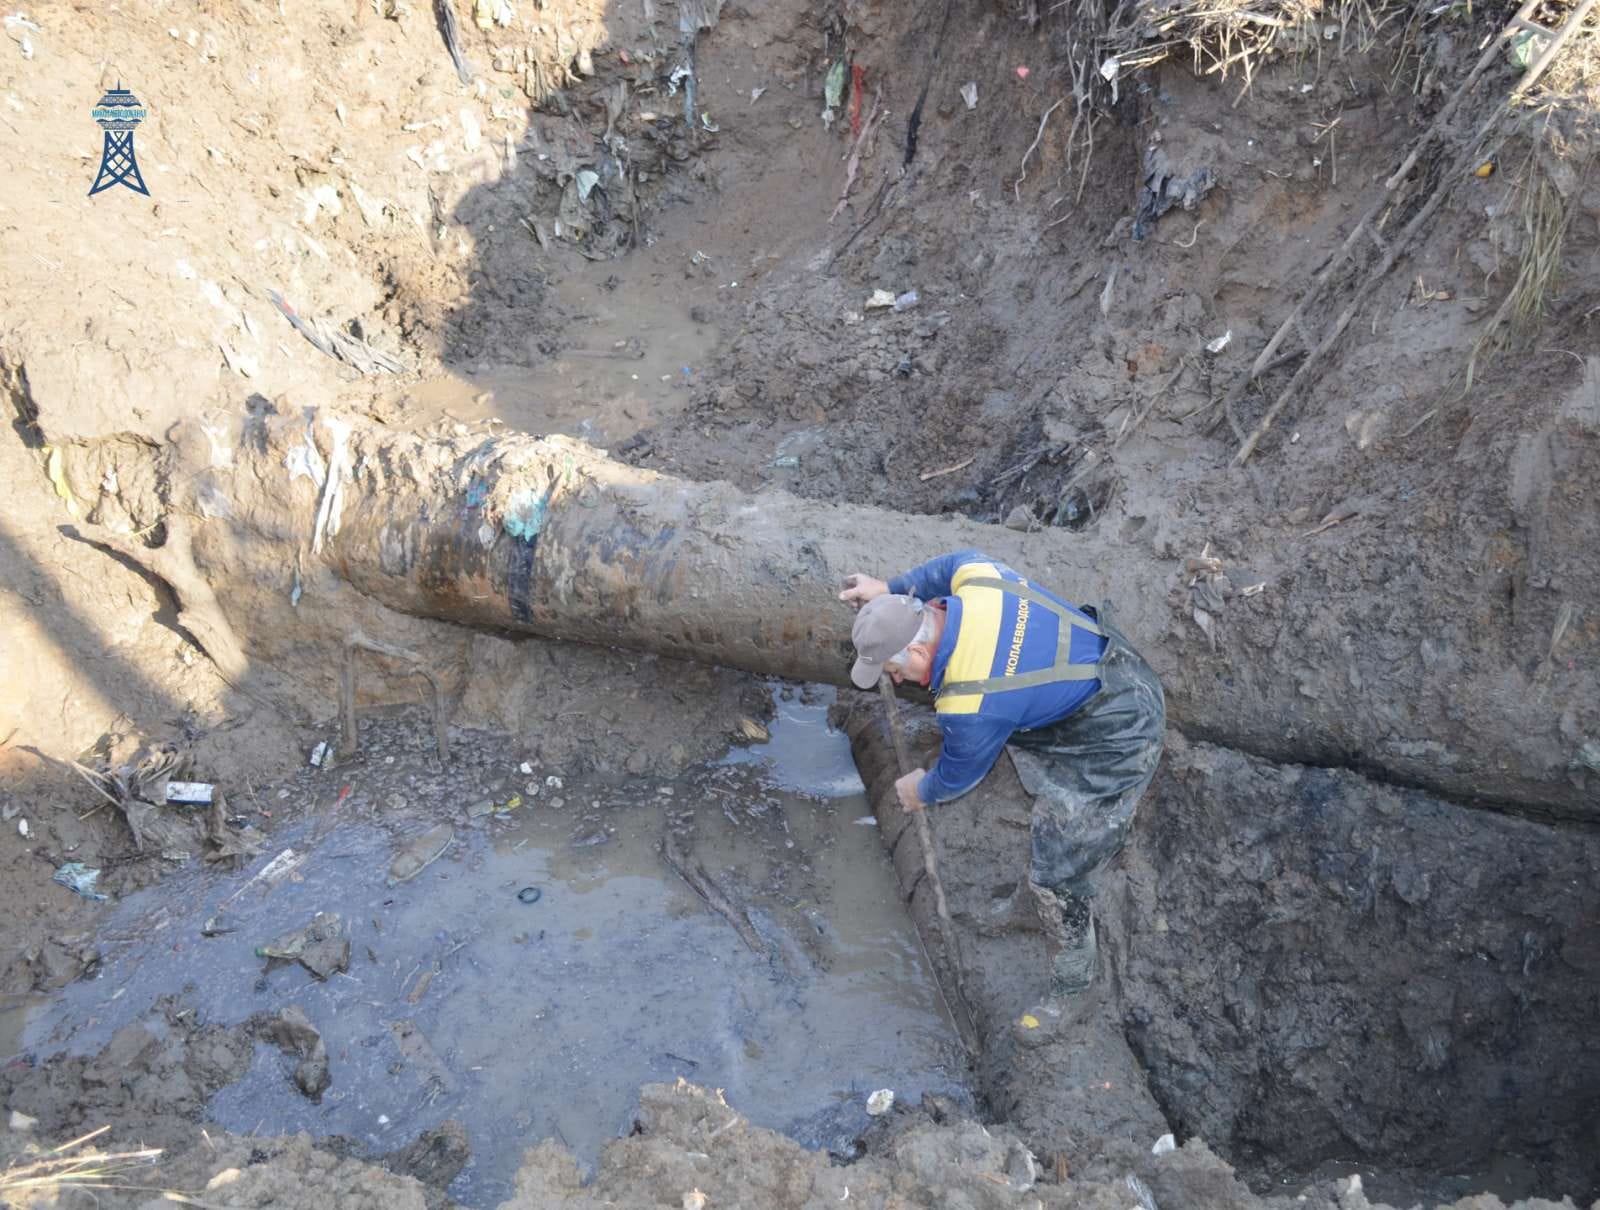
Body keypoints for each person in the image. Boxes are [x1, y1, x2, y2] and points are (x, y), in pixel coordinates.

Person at [839, 549, 1165, 995]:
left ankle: (1075, 984)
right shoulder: (979, 578)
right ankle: (1032, 910)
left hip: (1121, 729)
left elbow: (959, 775)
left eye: (895, 669)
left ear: (916, 648)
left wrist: (923, 789)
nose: (897, 680)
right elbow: (949, 564)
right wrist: (889, 589)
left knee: (1061, 862)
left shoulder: (967, 704)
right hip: (1111, 662)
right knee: (1015, 721)